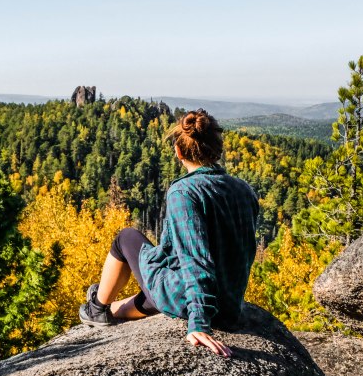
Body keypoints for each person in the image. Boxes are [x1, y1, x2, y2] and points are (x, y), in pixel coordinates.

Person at [78, 109, 259, 357]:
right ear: (218, 148)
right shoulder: (243, 189)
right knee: (133, 302)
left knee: (126, 238)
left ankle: (97, 306)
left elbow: (197, 261)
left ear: (179, 152)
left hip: (195, 300)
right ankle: (106, 307)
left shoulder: (184, 192)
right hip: (228, 305)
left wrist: (199, 323)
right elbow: (243, 251)